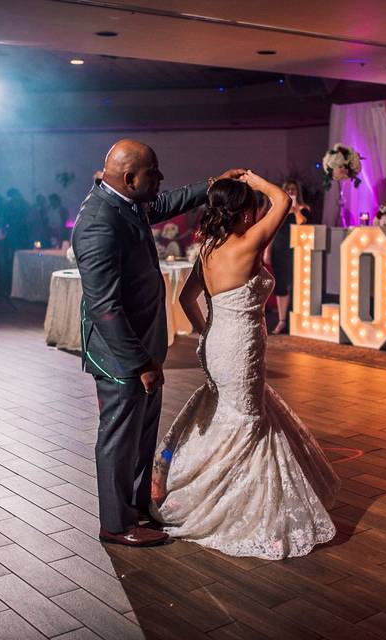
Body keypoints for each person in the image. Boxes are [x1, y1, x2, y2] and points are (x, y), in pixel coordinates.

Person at [150, 171, 340, 559]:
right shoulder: (248, 242)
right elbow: (283, 201)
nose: (256, 216)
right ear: (242, 214)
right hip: (241, 348)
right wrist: (256, 179)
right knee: (248, 421)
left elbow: (187, 301)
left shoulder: (208, 249)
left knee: (226, 411)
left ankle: (175, 471)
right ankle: (223, 505)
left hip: (216, 344)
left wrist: (208, 332)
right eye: (251, 210)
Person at [72, 138, 245, 547]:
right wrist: (140, 364)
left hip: (143, 345)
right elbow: (105, 308)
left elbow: (165, 203)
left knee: (141, 434)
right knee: (118, 436)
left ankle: (136, 510)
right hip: (119, 356)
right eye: (154, 173)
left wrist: (212, 184)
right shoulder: (99, 221)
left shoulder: (126, 201)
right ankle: (115, 525)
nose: (161, 179)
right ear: (130, 178)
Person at [264, 179, 311, 334]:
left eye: (294, 189)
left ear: (298, 192)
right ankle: (282, 320)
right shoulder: (277, 209)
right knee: (281, 285)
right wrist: (267, 251)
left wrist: (296, 210)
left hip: (298, 250)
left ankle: (297, 321)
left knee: (298, 285)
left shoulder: (304, 209)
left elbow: (303, 224)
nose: (291, 192)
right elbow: (272, 231)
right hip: (279, 249)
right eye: (288, 189)